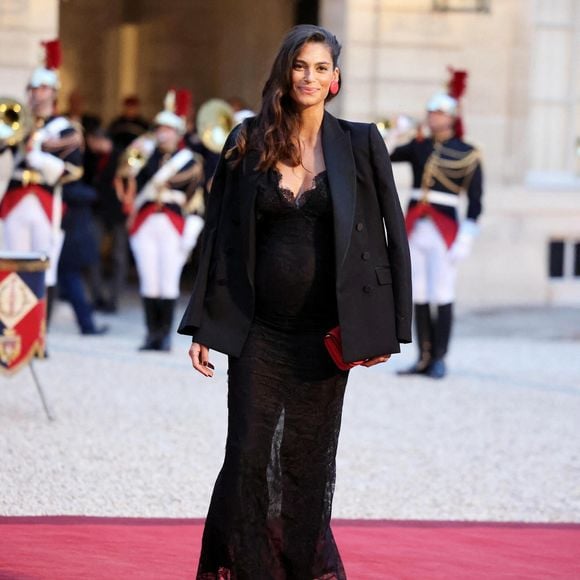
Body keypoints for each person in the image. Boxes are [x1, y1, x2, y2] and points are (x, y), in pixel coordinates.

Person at [178, 25, 412, 579]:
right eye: (300, 66)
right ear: (286, 72)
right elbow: (220, 238)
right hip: (259, 330)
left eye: (320, 67)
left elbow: (390, 238)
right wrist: (205, 324)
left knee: (308, 465)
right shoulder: (247, 139)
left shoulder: (360, 143)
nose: (309, 77)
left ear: (336, 79)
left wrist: (387, 328)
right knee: (248, 461)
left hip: (325, 337)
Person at [391, 70, 483, 379]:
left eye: (438, 113)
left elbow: (476, 200)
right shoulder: (419, 146)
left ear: (451, 117)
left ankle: (440, 358)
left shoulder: (467, 153)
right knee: (418, 293)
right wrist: (398, 131)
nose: (431, 117)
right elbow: (386, 155)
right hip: (416, 225)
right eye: (430, 112)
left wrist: (466, 238)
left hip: (445, 230)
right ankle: (423, 357)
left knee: (441, 292)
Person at [0, 39, 84, 322]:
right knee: (13, 263)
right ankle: (13, 331)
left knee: (44, 267)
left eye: (43, 88)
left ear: (53, 92)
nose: (37, 93)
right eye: (33, 88)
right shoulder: (18, 121)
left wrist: (42, 160)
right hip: (15, 200)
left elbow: (73, 170)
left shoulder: (65, 129)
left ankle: (39, 334)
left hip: (46, 201)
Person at [119, 90, 204, 351]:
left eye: (168, 129)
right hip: (146, 222)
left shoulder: (190, 161)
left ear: (178, 133)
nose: (162, 133)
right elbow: (127, 180)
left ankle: (164, 335)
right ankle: (150, 334)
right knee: (148, 279)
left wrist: (190, 234)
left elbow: (196, 201)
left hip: (172, 222)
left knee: (167, 281)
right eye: (160, 129)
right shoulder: (145, 156)